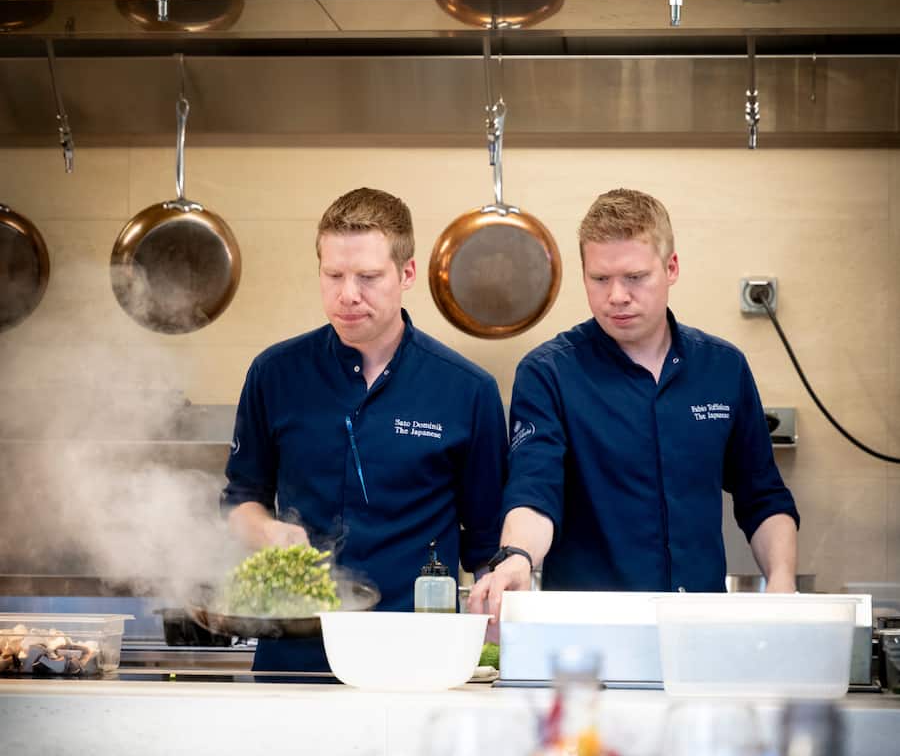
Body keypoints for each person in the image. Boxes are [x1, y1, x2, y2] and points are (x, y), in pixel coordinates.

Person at [469, 187, 799, 623]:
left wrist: (782, 580)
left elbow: (763, 496)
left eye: (635, 277)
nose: (617, 296)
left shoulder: (723, 368)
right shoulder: (549, 373)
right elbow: (535, 488)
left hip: (699, 625)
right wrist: (516, 557)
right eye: (599, 279)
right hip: (588, 631)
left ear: (671, 267)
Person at [222, 187, 507, 671]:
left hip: (419, 657)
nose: (348, 294)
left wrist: (495, 632)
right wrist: (266, 530)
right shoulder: (275, 374)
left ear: (407, 274)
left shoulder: (467, 389)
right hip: (296, 656)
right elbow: (239, 501)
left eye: (368, 277)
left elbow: (486, 545)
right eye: (333, 275)